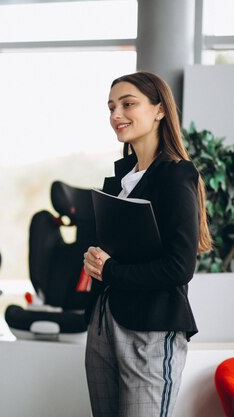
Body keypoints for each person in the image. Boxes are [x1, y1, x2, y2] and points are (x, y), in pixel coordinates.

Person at [82, 71, 212, 417]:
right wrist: (94, 259)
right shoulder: (120, 180)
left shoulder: (176, 175)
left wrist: (111, 270)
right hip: (104, 324)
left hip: (151, 329)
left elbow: (179, 267)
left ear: (159, 110)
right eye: (111, 107)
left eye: (128, 104)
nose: (116, 115)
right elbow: (116, 252)